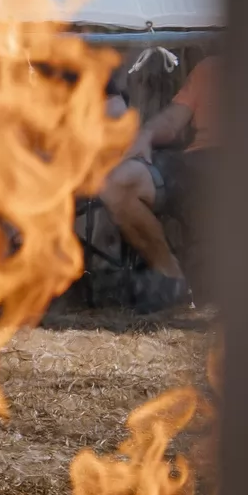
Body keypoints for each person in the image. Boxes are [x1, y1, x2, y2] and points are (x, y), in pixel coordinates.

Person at [98, 53, 220, 310]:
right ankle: (173, 280)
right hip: (197, 162)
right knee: (117, 183)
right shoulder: (209, 67)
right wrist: (147, 134)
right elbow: (172, 121)